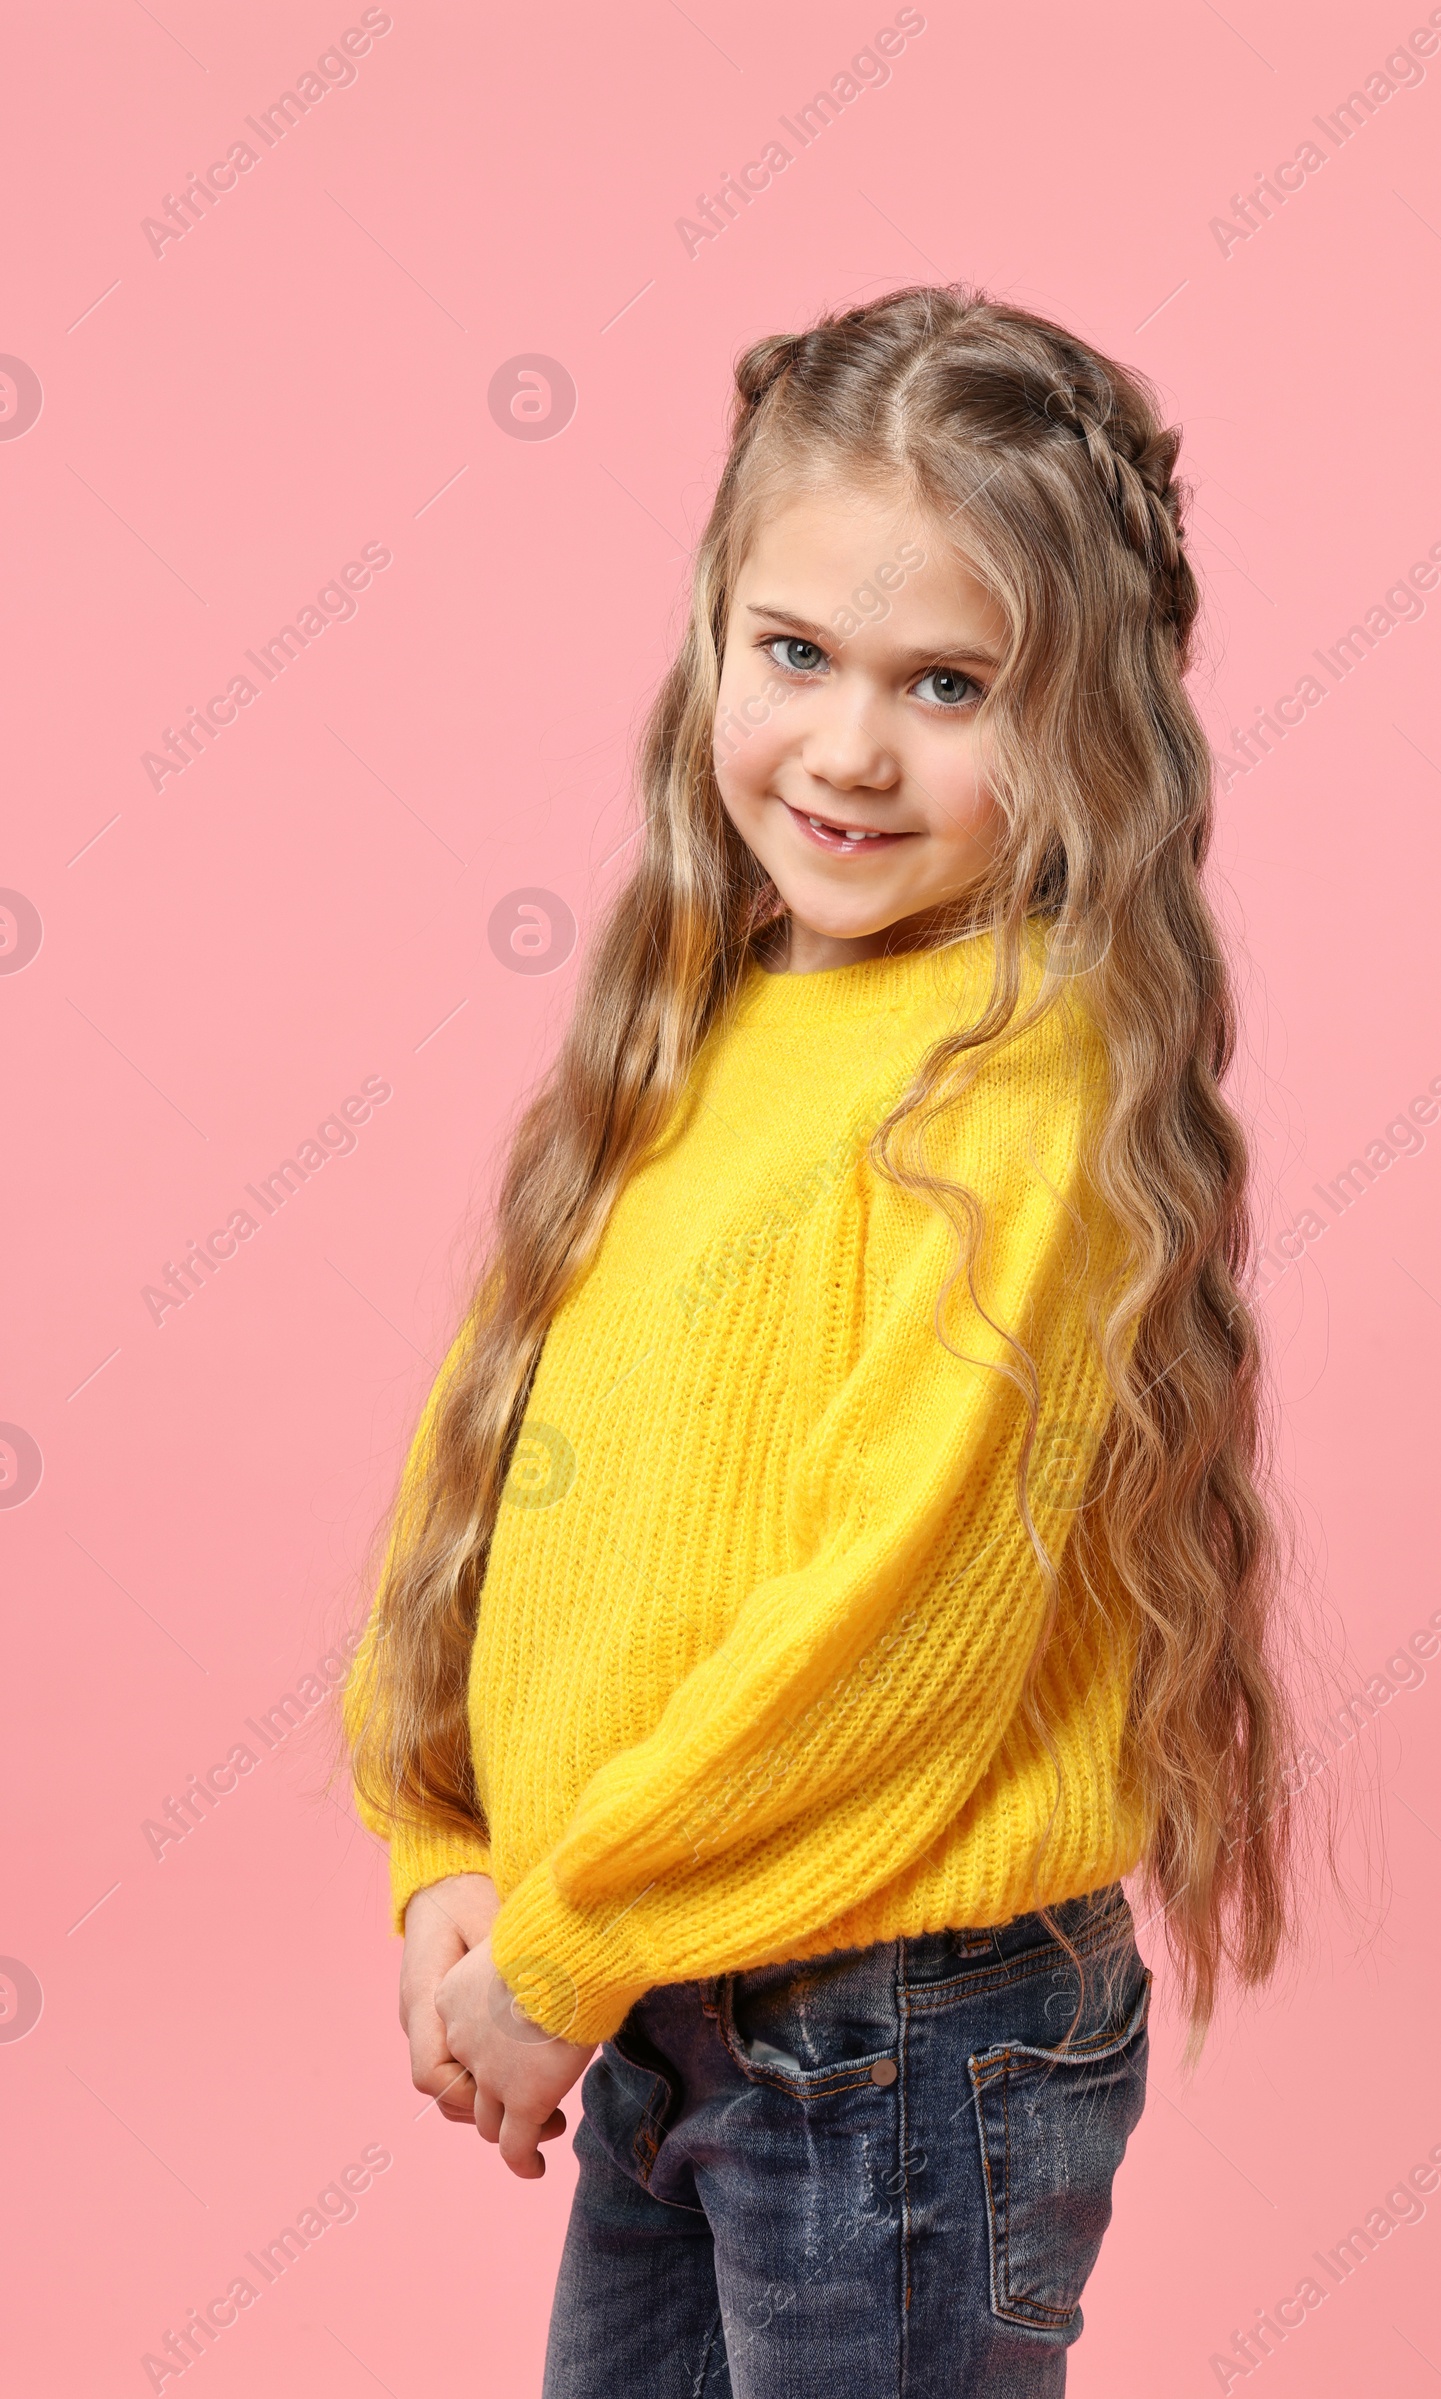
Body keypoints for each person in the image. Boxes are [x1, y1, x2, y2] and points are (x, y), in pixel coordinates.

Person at [344, 284, 1297, 2396]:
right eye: (794, 655)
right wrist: (448, 1852)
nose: (848, 747)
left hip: (894, 2038)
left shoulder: (1021, 1086)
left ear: (1086, 725)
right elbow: (504, 1464)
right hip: (672, 1988)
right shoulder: (712, 1007)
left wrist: (561, 1954)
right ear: (715, 641)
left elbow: (889, 1635)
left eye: (944, 683)